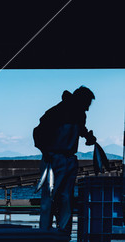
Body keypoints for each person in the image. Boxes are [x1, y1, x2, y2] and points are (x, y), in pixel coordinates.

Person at [34, 86, 96, 233]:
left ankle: (55, 234)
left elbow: (81, 130)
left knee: (61, 198)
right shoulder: (57, 112)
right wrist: (47, 152)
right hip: (55, 158)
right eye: (87, 103)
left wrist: (88, 136)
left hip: (62, 158)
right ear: (81, 100)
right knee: (59, 199)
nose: (87, 108)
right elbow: (38, 133)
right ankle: (51, 233)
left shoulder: (70, 112)